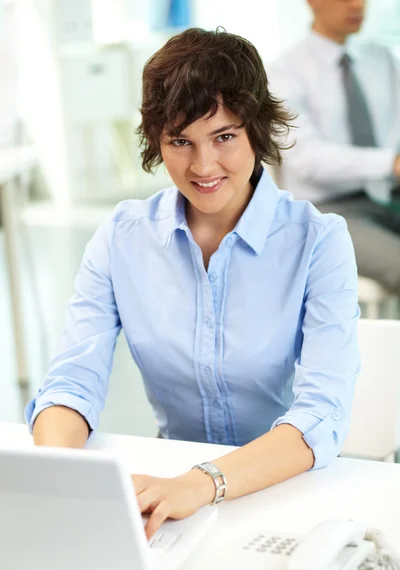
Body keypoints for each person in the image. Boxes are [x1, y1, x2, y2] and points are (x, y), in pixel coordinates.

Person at [26, 27, 360, 540]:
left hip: (283, 488)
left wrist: (200, 483)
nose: (203, 166)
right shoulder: (122, 237)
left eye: (224, 136)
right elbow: (71, 386)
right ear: (158, 141)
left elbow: (320, 418)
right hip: (170, 495)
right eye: (180, 141)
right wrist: (59, 484)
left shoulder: (319, 241)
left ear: (256, 128)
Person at [267, 0, 400, 295]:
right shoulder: (284, 73)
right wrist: (389, 164)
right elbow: (304, 158)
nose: (357, 5)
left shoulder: (383, 60)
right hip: (326, 212)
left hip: (387, 198)